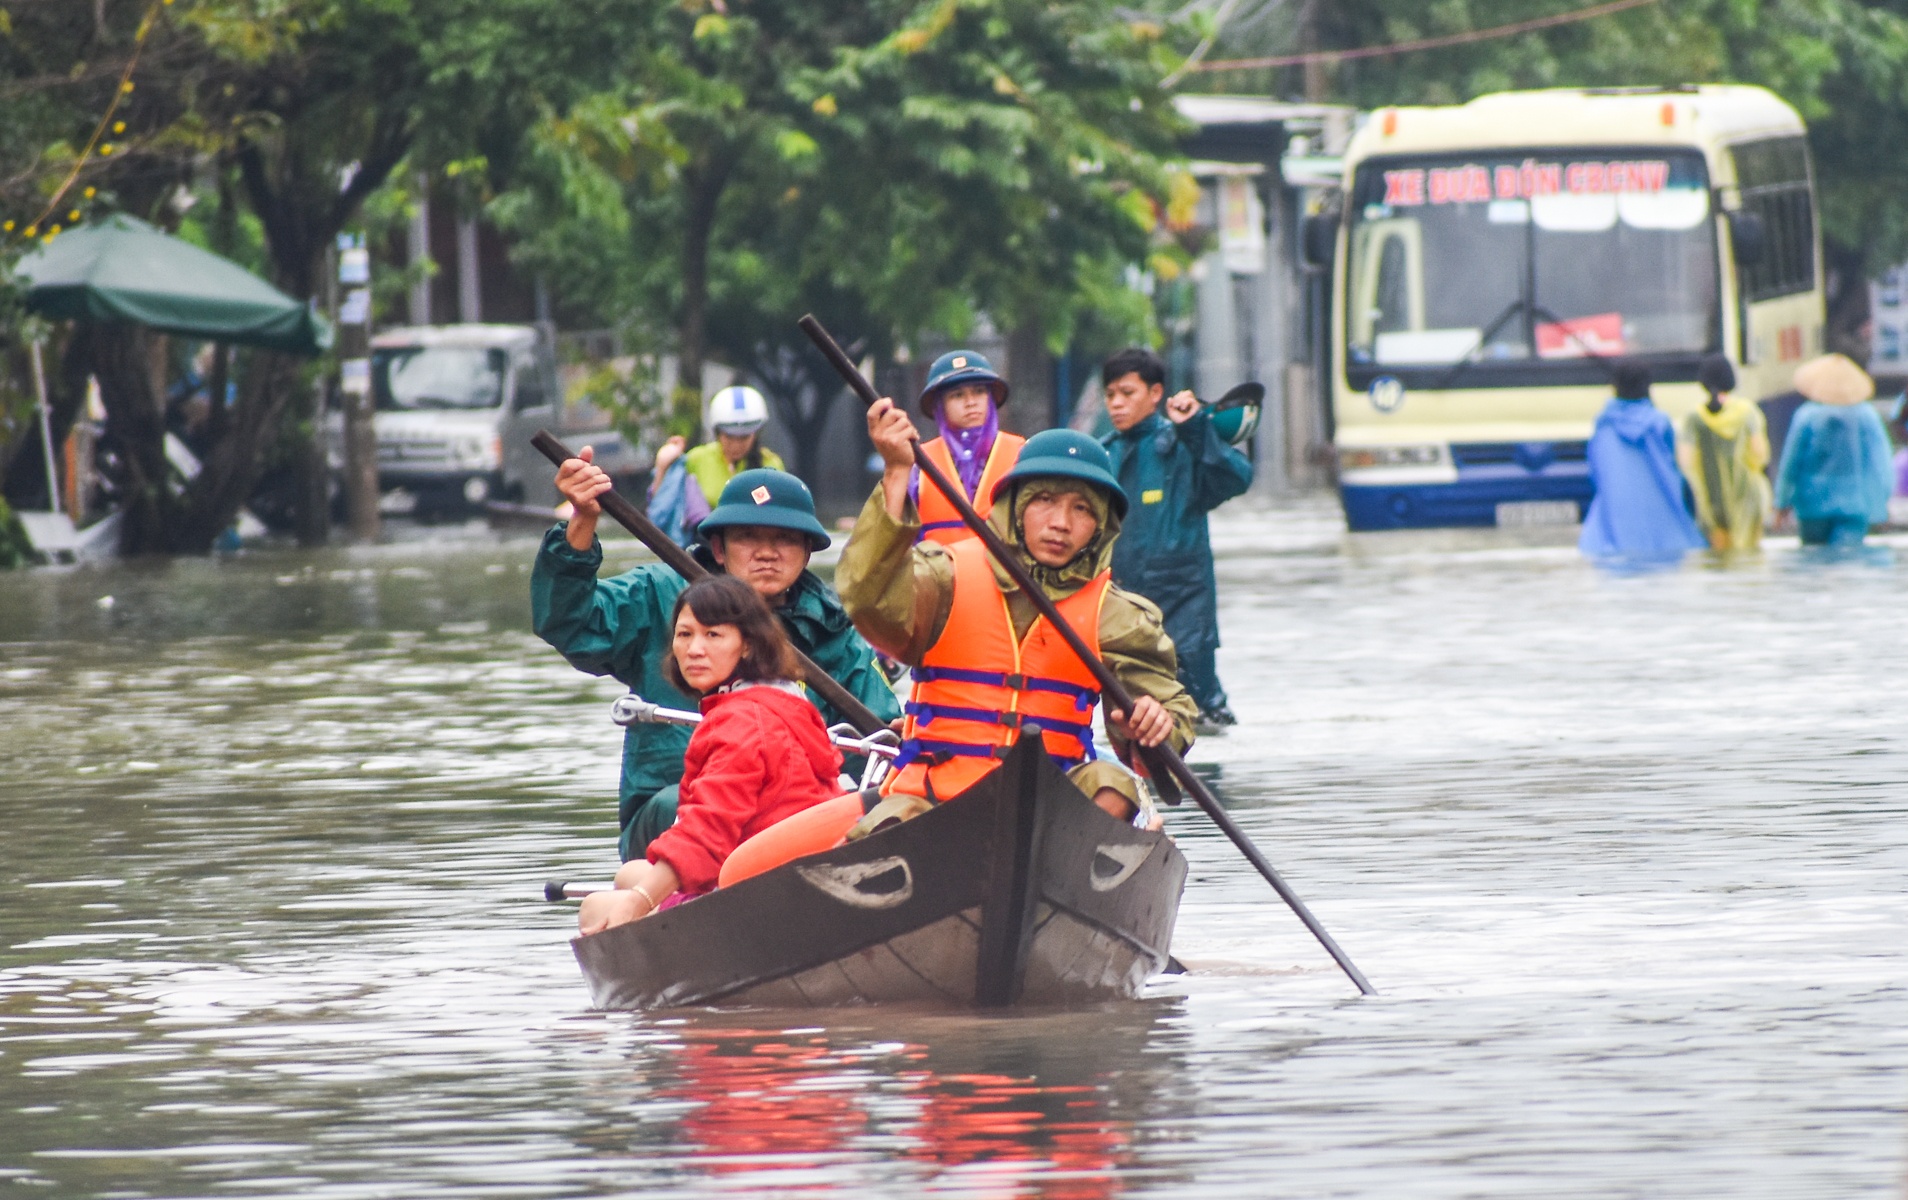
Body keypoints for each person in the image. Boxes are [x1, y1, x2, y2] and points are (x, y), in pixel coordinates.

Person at [839, 405, 1198, 826]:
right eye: (1044, 500)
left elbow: (1170, 718)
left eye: (1082, 509)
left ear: (1101, 525)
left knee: (1114, 784)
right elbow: (867, 600)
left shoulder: (1117, 614)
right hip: (935, 800)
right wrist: (897, 471)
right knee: (891, 819)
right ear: (1016, 506)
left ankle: (1066, 861)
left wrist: (1157, 724)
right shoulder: (943, 575)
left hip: (1050, 811)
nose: (1061, 523)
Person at [533, 451, 901, 861]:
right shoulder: (660, 593)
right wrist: (583, 520)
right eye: (748, 537)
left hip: (791, 818)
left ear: (807, 551)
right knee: (696, 807)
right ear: (719, 549)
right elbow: (568, 622)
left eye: (784, 539)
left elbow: (881, 743)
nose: (767, 552)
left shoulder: (833, 629)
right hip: (673, 806)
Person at [577, 575, 846, 933]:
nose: (694, 649)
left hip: (766, 894)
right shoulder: (786, 701)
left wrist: (637, 903)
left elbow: (706, 830)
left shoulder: (739, 721)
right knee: (630, 872)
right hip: (793, 872)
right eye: (685, 634)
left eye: (713, 635)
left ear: (747, 645)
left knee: (595, 907)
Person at [1098, 347, 1253, 730]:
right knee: (1132, 716)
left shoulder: (1184, 443)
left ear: (1155, 393)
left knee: (1200, 713)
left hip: (1186, 607)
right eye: (1110, 394)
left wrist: (1194, 427)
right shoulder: (1103, 455)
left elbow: (1237, 477)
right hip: (1123, 608)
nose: (1116, 403)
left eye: (1127, 393)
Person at [1578, 361, 1706, 568]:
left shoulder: (1603, 426)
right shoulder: (1659, 423)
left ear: (1615, 386)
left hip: (1611, 533)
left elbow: (1596, 474)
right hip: (1665, 529)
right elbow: (1675, 470)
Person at [1773, 353, 1894, 547]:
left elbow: (1791, 462)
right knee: (1849, 558)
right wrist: (1882, 502)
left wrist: (1782, 503)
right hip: (1855, 505)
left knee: (1815, 559)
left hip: (1812, 505)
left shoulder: (1806, 415)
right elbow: (1881, 463)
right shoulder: (1867, 416)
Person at [910, 350, 1025, 545]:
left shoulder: (1021, 453)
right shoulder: (919, 463)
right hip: (937, 563)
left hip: (1003, 566)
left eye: (979, 391)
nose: (971, 403)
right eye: (957, 395)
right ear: (940, 405)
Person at [648, 386, 787, 545]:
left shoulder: (771, 464)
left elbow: (779, 515)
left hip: (755, 545)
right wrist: (663, 465)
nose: (736, 444)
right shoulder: (697, 458)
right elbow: (663, 504)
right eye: (729, 436)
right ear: (717, 432)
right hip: (703, 548)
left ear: (757, 434)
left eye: (744, 437)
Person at [1677, 354, 1771, 555]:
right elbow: (1760, 454)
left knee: (1719, 559)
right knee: (1750, 558)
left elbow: (1685, 462)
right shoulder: (1747, 412)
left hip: (1711, 502)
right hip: (1748, 497)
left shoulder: (1695, 418)